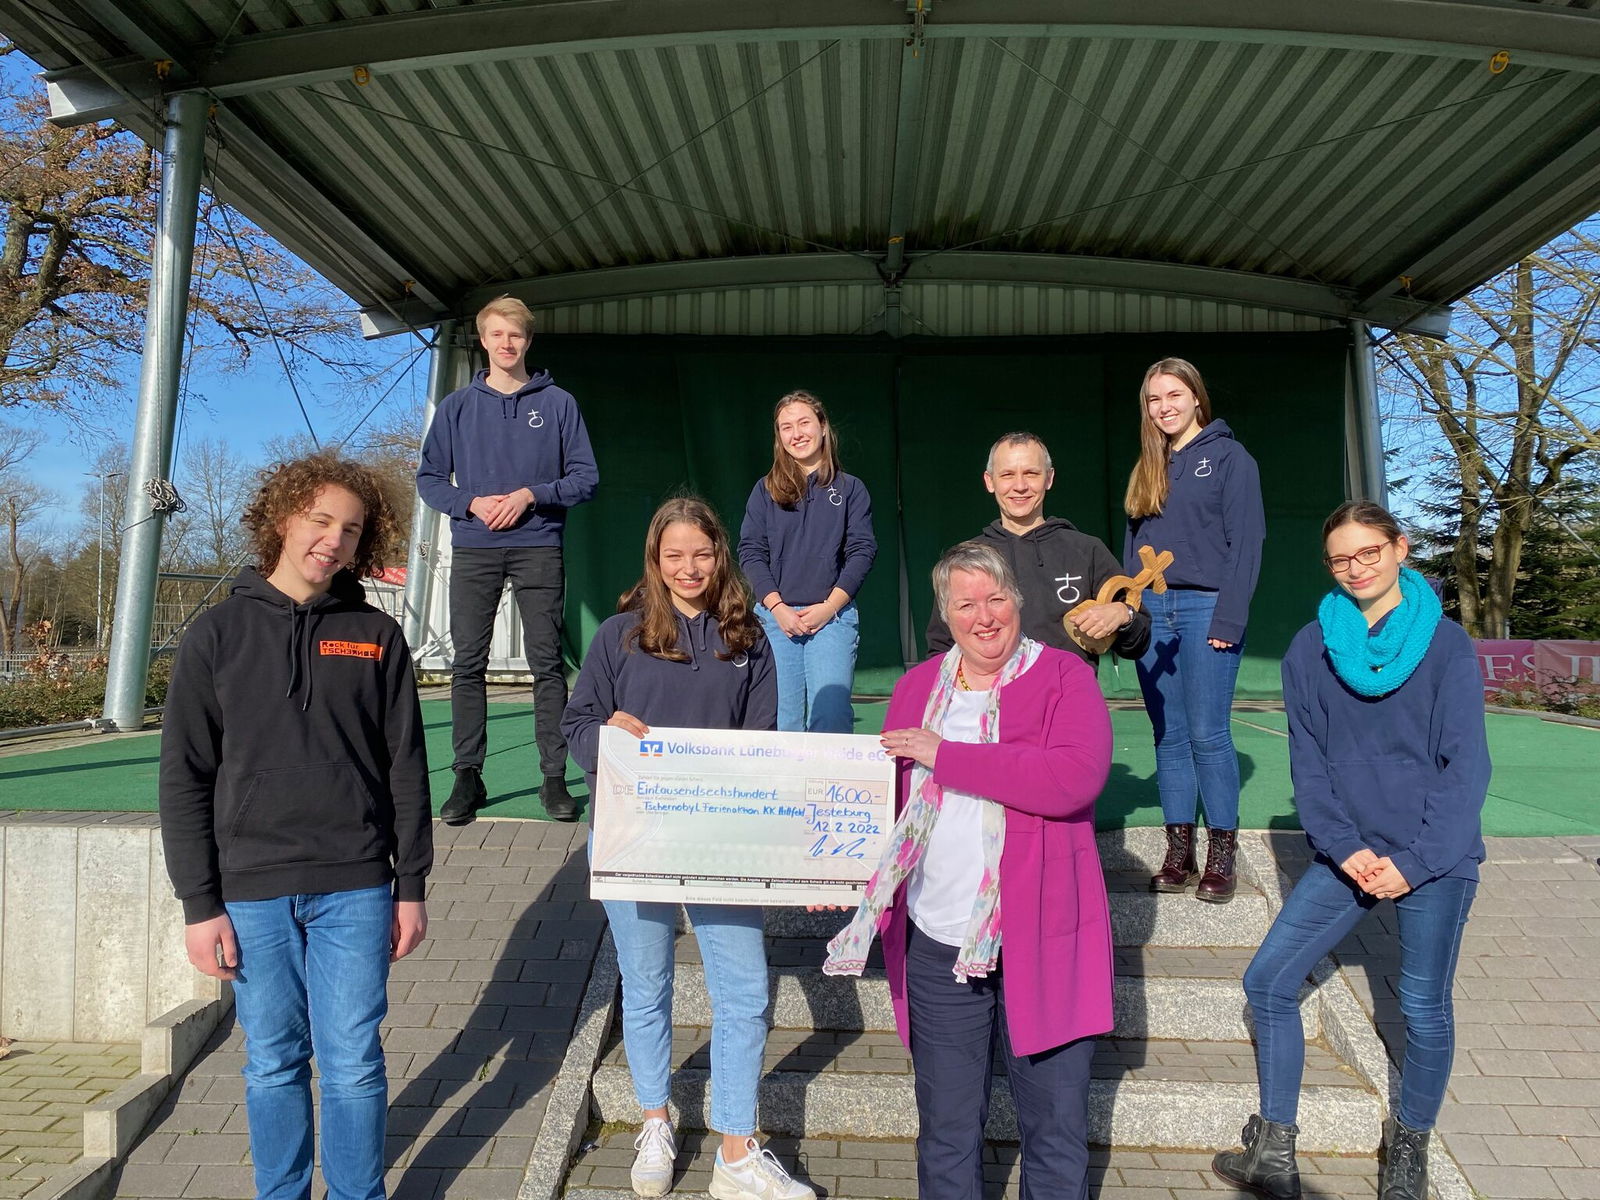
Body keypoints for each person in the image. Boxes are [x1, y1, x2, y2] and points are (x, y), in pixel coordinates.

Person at [159, 453, 432, 1200]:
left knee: (353, 1064)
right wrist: (199, 905)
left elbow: (406, 769)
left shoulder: (376, 635)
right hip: (251, 893)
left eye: (351, 530)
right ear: (283, 519)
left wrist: (411, 887)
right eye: (320, 521)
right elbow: (184, 778)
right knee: (274, 1062)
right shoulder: (216, 635)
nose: (334, 540)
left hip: (356, 887)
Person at [1212, 501, 1489, 1200]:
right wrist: (1342, 846)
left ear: (1399, 549)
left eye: (1369, 552)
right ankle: (1274, 1151)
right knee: (1268, 982)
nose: (1356, 567)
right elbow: (1308, 764)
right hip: (1350, 854)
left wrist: (1416, 862)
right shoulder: (1311, 646)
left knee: (1422, 1006)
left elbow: (1466, 767)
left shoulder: (1446, 644)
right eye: (1340, 558)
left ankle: (1410, 1147)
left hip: (1432, 855)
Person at [824, 541, 1113, 1200]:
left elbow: (1072, 777)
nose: (984, 616)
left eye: (995, 599)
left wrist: (947, 754)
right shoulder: (916, 687)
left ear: (1018, 601)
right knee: (947, 1132)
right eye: (965, 604)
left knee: (1055, 1133)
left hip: (1044, 939)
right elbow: (885, 805)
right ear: (946, 615)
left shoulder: (1064, 676)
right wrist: (833, 874)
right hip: (937, 941)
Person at [561, 497, 815, 1200]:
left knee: (745, 991)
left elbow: (763, 742)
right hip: (631, 835)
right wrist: (605, 733)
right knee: (646, 987)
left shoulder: (749, 638)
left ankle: (735, 1150)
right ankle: (655, 1120)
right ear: (655, 559)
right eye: (674, 555)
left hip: (719, 839)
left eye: (701, 553)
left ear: (719, 555)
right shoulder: (618, 635)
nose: (689, 568)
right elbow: (576, 725)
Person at [417, 295, 598, 825]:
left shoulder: (559, 403)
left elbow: (585, 478)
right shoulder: (456, 408)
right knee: (467, 664)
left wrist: (530, 495)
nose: (506, 343)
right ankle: (467, 776)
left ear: (528, 340)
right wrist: (470, 503)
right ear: (483, 339)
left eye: (515, 334)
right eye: (496, 334)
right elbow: (430, 480)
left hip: (539, 545)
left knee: (546, 665)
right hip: (475, 548)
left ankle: (553, 778)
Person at [1123, 357, 1264, 901]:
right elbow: (1133, 550)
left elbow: (1246, 543)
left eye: (1174, 395)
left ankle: (1221, 856)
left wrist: (1230, 616)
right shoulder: (1148, 466)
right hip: (1155, 608)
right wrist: (1131, 612)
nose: (1165, 407)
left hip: (1207, 608)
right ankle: (1177, 852)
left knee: (1208, 733)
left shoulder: (1231, 458)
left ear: (1197, 398)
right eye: (1154, 399)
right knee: (1169, 734)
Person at [926, 431, 1151, 668]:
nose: (1020, 486)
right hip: (992, 690)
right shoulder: (967, 561)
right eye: (1007, 475)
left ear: (1049, 478)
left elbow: (1137, 642)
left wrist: (1123, 614)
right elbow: (941, 648)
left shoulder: (1086, 550)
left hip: (1067, 689)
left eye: (1031, 473)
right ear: (990, 481)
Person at [738, 389, 876, 733]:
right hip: (775, 620)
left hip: (832, 620)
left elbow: (862, 551)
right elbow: (751, 551)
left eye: (804, 423)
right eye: (786, 427)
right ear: (779, 437)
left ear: (823, 427)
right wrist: (777, 608)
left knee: (830, 717)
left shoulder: (851, 489)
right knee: (781, 721)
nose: (796, 434)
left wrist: (829, 608)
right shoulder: (764, 491)